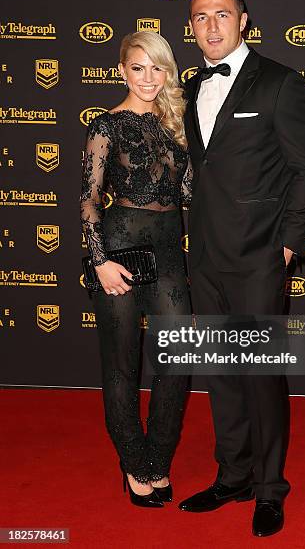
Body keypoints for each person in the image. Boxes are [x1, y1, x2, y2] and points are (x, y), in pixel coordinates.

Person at [178, 0, 305, 536]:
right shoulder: (192, 86)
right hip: (207, 256)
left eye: (221, 14)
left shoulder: (282, 84)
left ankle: (269, 489)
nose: (210, 26)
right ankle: (233, 476)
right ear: (190, 29)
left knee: (260, 376)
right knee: (220, 375)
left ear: (243, 21)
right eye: (199, 18)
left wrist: (289, 240)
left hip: (260, 254)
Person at [80, 31, 192, 508]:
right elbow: (88, 199)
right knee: (123, 365)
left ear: (167, 72)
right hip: (120, 247)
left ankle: (158, 459)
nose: (148, 78)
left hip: (168, 251)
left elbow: (188, 196)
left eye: (157, 68)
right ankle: (134, 464)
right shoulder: (106, 127)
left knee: (178, 358)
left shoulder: (177, 127)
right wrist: (99, 260)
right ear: (122, 69)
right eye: (138, 67)